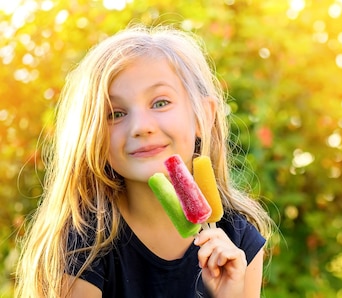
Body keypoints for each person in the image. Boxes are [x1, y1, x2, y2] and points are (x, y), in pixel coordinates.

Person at [14, 24, 275, 297]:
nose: (140, 126)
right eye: (115, 113)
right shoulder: (82, 246)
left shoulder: (238, 240)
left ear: (204, 117)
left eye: (160, 103)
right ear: (93, 136)